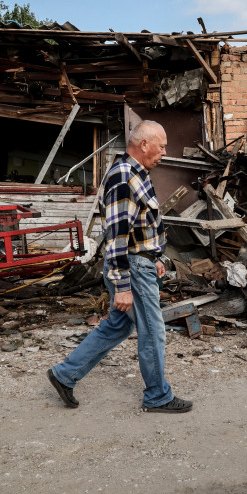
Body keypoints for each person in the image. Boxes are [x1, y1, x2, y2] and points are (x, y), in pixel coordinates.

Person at [47, 120, 192, 413]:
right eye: (161, 146)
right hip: (133, 270)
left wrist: (157, 259)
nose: (164, 152)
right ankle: (158, 396)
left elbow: (142, 227)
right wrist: (123, 286)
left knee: (118, 325)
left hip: (141, 264)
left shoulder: (136, 174)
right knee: (152, 331)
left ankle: (65, 374)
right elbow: (116, 237)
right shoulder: (123, 177)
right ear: (144, 145)